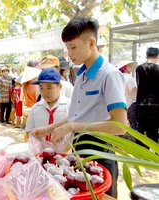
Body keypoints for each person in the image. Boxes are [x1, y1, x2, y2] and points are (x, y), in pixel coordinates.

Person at [31, 16, 127, 198]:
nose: (69, 53)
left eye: (73, 47)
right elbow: (78, 115)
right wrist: (49, 128)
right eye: (67, 48)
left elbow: (119, 126)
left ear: (91, 43)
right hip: (80, 148)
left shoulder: (109, 75)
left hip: (99, 150)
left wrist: (74, 127)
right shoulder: (81, 76)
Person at [26, 68, 72, 152]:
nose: (45, 92)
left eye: (49, 87)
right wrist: (38, 142)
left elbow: (75, 131)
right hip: (41, 154)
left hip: (64, 155)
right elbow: (29, 131)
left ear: (60, 87)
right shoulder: (36, 108)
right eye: (41, 88)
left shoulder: (70, 105)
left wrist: (67, 147)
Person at [135, 47, 159, 147]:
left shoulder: (139, 68)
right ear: (157, 57)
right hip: (155, 103)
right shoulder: (157, 69)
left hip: (141, 102)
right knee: (153, 128)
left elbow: (138, 84)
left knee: (140, 126)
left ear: (146, 56)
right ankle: (152, 151)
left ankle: (140, 149)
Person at [118, 61, 138, 131]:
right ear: (124, 67)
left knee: (121, 125)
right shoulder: (129, 77)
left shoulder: (119, 77)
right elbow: (133, 90)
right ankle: (136, 141)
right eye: (129, 66)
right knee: (134, 125)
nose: (131, 68)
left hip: (122, 104)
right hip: (131, 103)